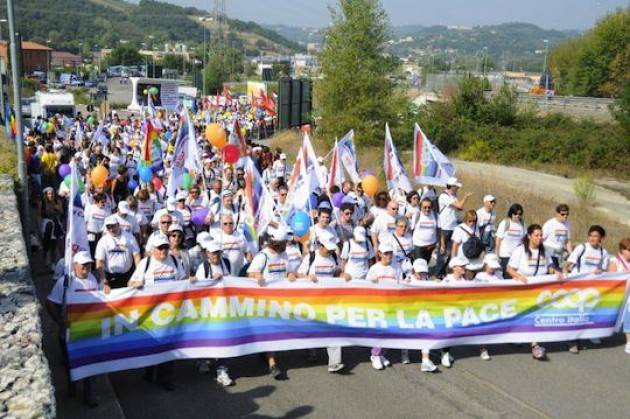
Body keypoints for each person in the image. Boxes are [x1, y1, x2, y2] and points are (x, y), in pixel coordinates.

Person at [128, 235, 189, 391]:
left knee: (169, 345)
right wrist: (136, 283)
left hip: (171, 312)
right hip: (151, 314)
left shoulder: (175, 261)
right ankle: (149, 371)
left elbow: (183, 281)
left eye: (166, 247)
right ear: (153, 249)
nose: (163, 251)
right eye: (160, 248)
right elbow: (130, 283)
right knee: (152, 344)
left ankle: (166, 378)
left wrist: (192, 281)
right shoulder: (145, 263)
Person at [46, 251, 100, 407]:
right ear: (75, 265)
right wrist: (60, 321)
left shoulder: (92, 279)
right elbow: (50, 303)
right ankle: (72, 386)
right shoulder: (65, 282)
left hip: (89, 331)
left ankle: (90, 395)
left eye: (88, 264)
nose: (87, 267)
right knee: (71, 363)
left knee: (90, 363)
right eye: (83, 265)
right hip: (69, 332)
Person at [506, 224, 563, 360]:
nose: (539, 238)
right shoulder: (520, 250)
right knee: (521, 314)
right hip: (523, 288)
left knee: (534, 315)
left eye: (541, 235)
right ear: (529, 236)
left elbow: (549, 267)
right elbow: (509, 268)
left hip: (538, 289)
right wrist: (519, 276)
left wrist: (556, 272)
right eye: (536, 235)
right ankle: (516, 335)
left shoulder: (544, 251)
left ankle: (534, 345)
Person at [247, 225, 297, 379]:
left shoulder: (284, 255)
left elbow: (289, 271)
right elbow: (250, 273)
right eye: (283, 242)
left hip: (281, 299)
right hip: (265, 300)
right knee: (270, 330)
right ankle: (272, 363)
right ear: (276, 242)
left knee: (274, 330)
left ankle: (265, 353)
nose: (286, 244)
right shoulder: (263, 256)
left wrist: (290, 275)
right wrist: (257, 276)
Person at [297, 233, 349, 373]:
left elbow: (337, 271)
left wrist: (343, 274)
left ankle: (334, 362)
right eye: (328, 248)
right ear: (321, 246)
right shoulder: (311, 257)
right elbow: (298, 274)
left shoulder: (333, 256)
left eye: (332, 249)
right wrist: (308, 277)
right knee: (313, 327)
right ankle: (311, 348)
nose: (331, 251)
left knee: (333, 329)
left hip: (330, 300)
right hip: (312, 300)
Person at [366, 242, 403, 370]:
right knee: (380, 331)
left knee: (389, 332)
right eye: (386, 253)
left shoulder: (396, 267)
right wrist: (373, 283)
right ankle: (375, 355)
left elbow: (401, 284)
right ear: (380, 254)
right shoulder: (374, 269)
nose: (388, 256)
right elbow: (366, 287)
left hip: (392, 304)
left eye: (390, 253)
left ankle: (381, 354)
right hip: (378, 305)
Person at [400, 259, 439, 372]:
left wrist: (437, 283)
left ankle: (425, 361)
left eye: (424, 272)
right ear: (413, 270)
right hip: (409, 312)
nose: (422, 275)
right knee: (407, 334)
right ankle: (404, 353)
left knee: (425, 334)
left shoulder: (426, 280)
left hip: (423, 312)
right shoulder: (407, 280)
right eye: (419, 272)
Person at [435, 177, 472, 278]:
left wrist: (459, 203)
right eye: (456, 187)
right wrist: (465, 197)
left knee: (451, 252)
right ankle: (438, 274)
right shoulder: (444, 196)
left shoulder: (453, 196)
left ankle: (447, 271)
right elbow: (460, 205)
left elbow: (459, 208)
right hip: (445, 227)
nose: (457, 189)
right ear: (451, 187)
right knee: (442, 252)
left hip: (453, 227)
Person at [95, 215, 141, 291]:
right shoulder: (103, 241)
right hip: (109, 277)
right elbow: (99, 262)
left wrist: (137, 275)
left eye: (113, 226)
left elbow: (137, 256)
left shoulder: (130, 237)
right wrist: (104, 280)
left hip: (127, 275)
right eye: (108, 227)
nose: (111, 229)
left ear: (118, 225)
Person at [608, 238, 630, 354]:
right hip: (618, 294)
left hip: (629, 296)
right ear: (622, 250)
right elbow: (612, 279)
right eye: (629, 249)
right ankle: (597, 332)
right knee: (610, 316)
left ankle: (629, 342)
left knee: (629, 316)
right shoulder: (615, 260)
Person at [451, 210, 484, 278]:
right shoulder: (459, 228)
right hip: (464, 262)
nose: (472, 223)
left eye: (474, 221)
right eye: (470, 221)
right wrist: (453, 261)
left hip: (476, 262)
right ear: (465, 219)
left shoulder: (476, 227)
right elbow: (455, 245)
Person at [495, 203, 525, 278]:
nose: (517, 216)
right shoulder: (505, 223)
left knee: (516, 275)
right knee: (507, 275)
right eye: (515, 214)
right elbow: (498, 239)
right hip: (505, 254)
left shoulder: (523, 224)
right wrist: (497, 255)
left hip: (517, 255)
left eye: (519, 214)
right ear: (511, 213)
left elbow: (525, 239)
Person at [542, 204, 573, 270]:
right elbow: (541, 239)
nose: (565, 216)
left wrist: (571, 255)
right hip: (549, 252)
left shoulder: (568, 224)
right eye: (562, 214)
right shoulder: (549, 224)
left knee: (565, 269)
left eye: (567, 214)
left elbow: (567, 241)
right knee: (553, 272)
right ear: (557, 213)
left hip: (560, 253)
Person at [412, 198, 439, 264]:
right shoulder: (416, 215)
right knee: (419, 264)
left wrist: (439, 243)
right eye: (425, 207)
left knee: (426, 263)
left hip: (430, 245)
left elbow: (439, 229)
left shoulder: (436, 215)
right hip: (419, 245)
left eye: (429, 207)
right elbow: (411, 230)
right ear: (420, 207)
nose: (427, 209)